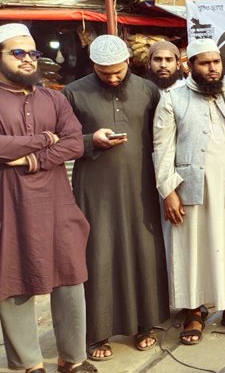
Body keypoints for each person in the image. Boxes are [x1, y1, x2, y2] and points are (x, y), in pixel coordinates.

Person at [64, 34, 169, 360]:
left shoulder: (148, 90)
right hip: (95, 189)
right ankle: (97, 333)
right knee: (99, 253)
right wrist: (90, 140)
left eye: (117, 72)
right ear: (93, 65)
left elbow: (162, 138)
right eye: (103, 72)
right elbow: (62, 140)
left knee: (143, 251)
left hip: (140, 186)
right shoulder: (73, 92)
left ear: (127, 62)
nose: (111, 78)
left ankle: (145, 324)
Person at [0, 23, 96, 373]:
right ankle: (30, 363)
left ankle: (73, 358)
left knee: (70, 274)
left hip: (56, 202)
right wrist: (43, 139)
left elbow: (73, 143)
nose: (28, 59)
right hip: (9, 203)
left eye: (32, 53)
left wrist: (31, 159)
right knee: (12, 278)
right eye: (18, 52)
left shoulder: (53, 98)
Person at [153, 38, 225, 345]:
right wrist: (168, 191)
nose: (212, 69)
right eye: (205, 63)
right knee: (191, 249)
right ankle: (194, 312)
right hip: (190, 187)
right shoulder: (173, 98)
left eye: (216, 62)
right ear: (190, 66)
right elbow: (162, 148)